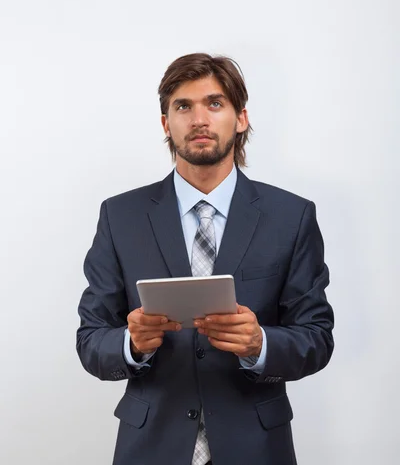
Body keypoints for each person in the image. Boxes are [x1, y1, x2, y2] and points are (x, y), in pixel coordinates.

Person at [76, 53, 334, 465]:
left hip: (256, 448)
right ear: (166, 123)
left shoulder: (291, 216)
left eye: (214, 103)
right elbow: (90, 340)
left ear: (241, 118)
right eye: (183, 106)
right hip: (151, 447)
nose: (199, 118)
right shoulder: (120, 216)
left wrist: (260, 344)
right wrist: (132, 344)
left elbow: (317, 338)